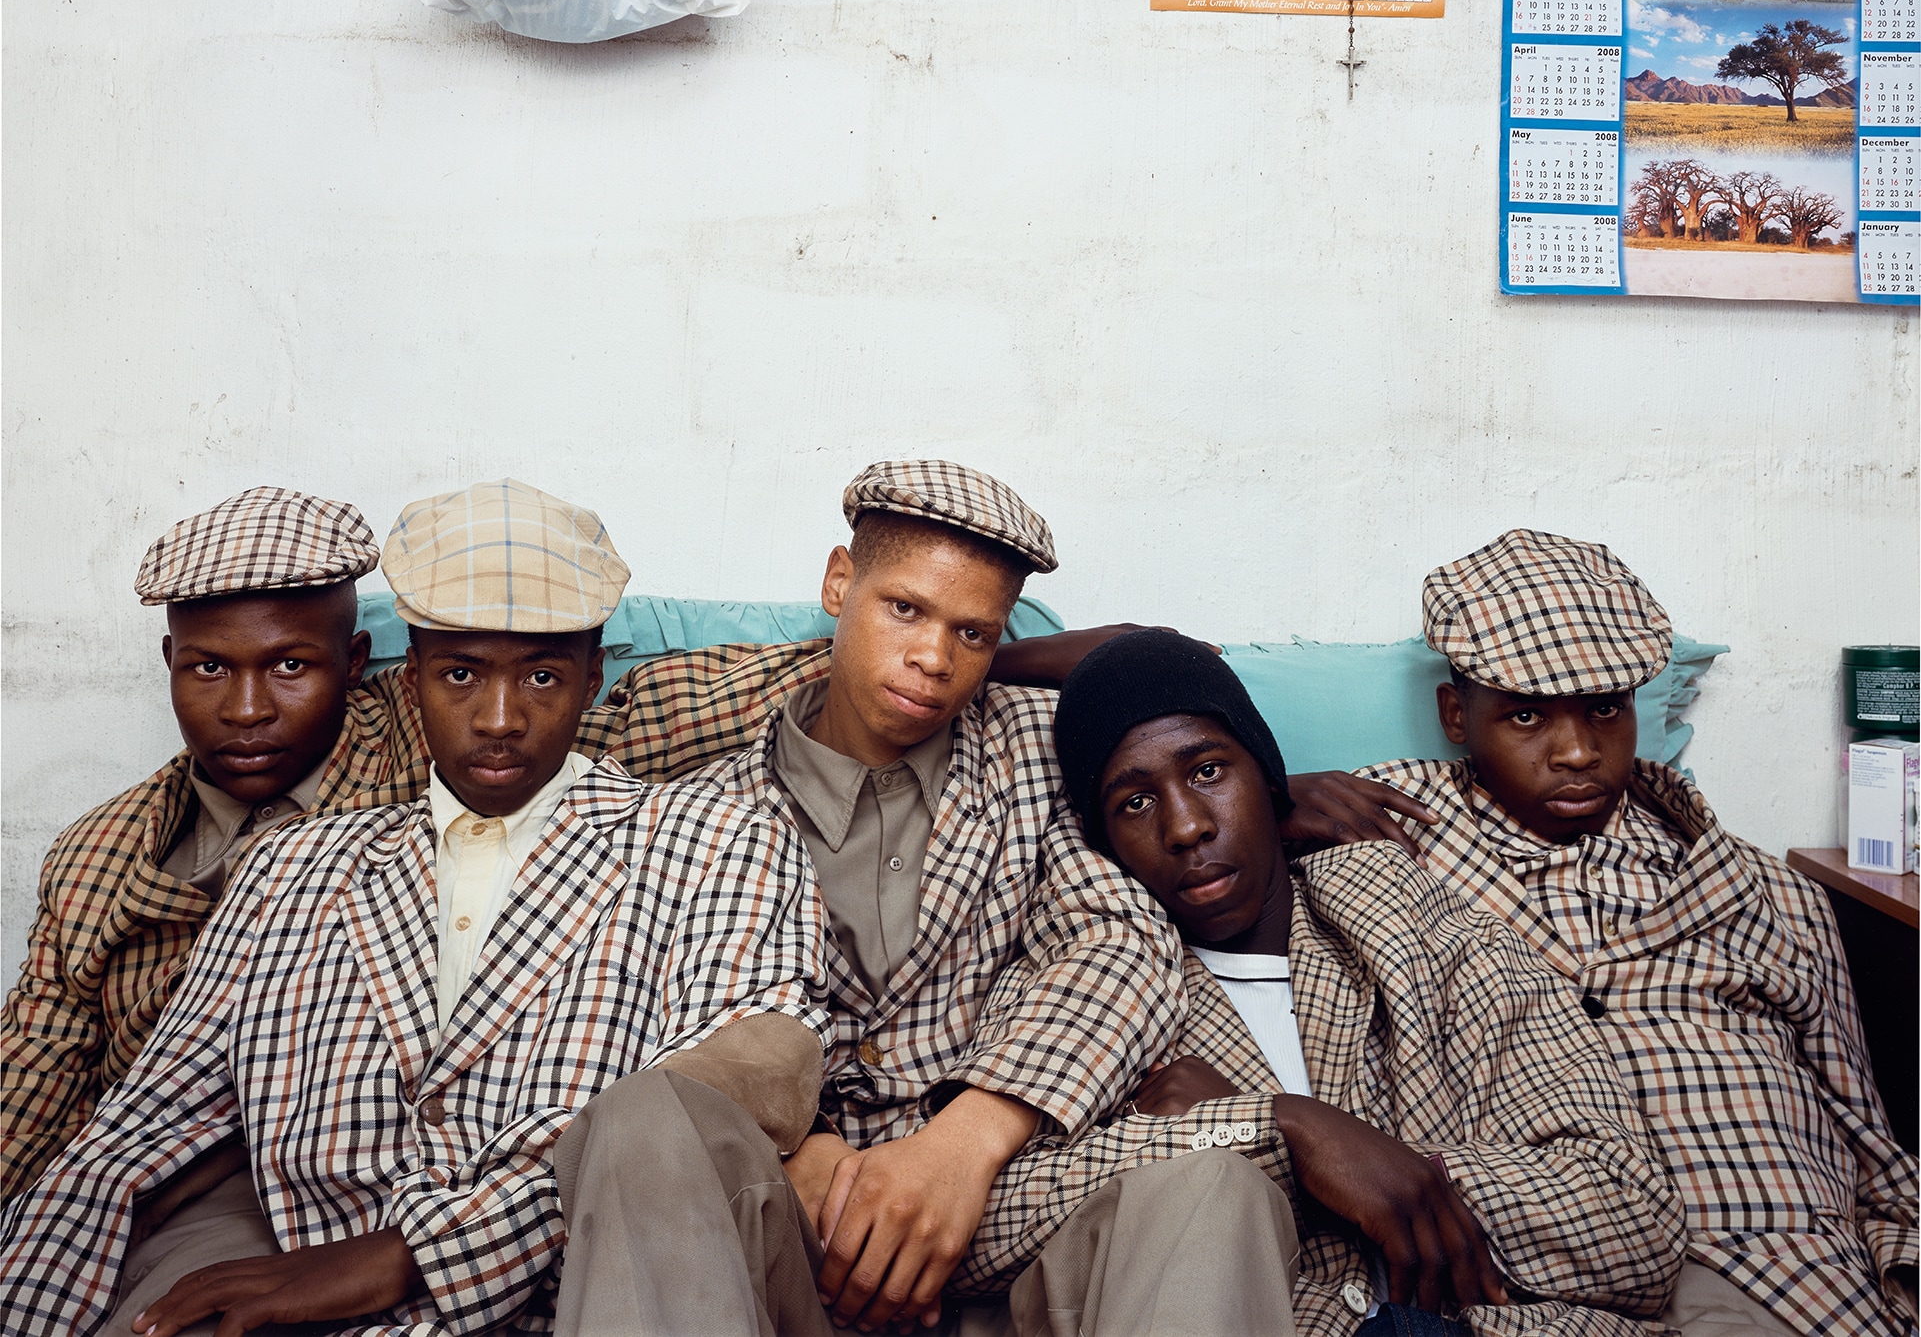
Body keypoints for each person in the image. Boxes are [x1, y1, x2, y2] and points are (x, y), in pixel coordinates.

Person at [2, 485, 1204, 1198]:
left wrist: (1109, 694)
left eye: (294, 667)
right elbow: (42, 1080)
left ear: (359, 667)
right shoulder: (110, 857)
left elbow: (862, 686)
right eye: (211, 669)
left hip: (498, 1155)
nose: (254, 709)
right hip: (199, 1155)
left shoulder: (510, 741)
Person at [0, 479, 829, 1337]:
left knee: (656, 1118)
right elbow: (138, 1133)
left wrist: (421, 1251)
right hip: (330, 1306)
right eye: (461, 675)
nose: (499, 719)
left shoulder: (717, 839)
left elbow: (731, 1094)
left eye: (541, 676)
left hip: (597, 1297)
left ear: (593, 677)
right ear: (413, 679)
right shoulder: (292, 866)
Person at [544, 459, 1197, 1335]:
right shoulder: (701, 808)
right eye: (904, 610)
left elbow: (1122, 943)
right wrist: (800, 1143)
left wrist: (966, 1143)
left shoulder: (1042, 752)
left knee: (1207, 1183)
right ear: (837, 582)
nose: (933, 659)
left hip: (1000, 1219)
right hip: (774, 1238)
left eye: (973, 635)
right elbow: (659, 1016)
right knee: (643, 1122)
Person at [965, 627, 1688, 1337]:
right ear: (1102, 844)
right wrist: (1275, 1127)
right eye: (1134, 803)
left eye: (1208, 771)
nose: (1185, 826)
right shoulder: (1074, 993)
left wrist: (1385, 1170)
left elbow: (1634, 1220)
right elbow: (979, 1228)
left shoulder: (1420, 931)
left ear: (1271, 781)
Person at [1350, 530, 1917, 1337]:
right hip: (1535, 1264)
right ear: (1454, 714)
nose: (1576, 751)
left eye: (1605, 710)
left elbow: (1865, 1134)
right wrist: (1283, 795)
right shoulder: (1386, 833)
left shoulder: (1764, 891)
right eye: (1525, 715)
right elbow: (1175, 803)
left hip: (1785, 1264)